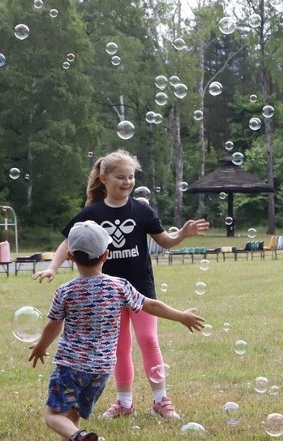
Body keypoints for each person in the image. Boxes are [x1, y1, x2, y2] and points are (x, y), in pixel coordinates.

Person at [33, 150, 209, 421]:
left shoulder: (142, 210)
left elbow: (164, 241)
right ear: (104, 178)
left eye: (131, 177)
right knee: (120, 347)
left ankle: (161, 399)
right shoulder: (92, 212)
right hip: (106, 294)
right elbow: (69, 241)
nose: (127, 182)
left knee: (149, 339)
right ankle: (124, 402)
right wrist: (52, 267)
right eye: (120, 177)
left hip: (139, 289)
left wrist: (182, 234)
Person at [29, 221, 204, 441]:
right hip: (101, 370)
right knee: (73, 415)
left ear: (69, 257)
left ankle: (79, 438)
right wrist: (181, 316)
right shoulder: (119, 286)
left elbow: (54, 325)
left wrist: (41, 347)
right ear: (107, 255)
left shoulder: (65, 291)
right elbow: (151, 305)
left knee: (53, 415)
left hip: (70, 366)